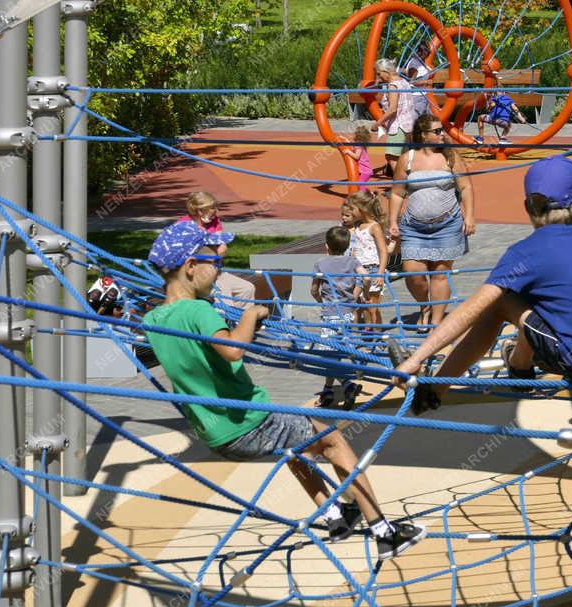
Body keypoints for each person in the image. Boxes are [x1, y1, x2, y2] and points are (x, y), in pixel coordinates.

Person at [142, 222, 425, 559]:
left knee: (298, 445)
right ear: (190, 267)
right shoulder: (199, 310)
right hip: (247, 419)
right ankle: (384, 531)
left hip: (217, 432)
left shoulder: (153, 320)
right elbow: (231, 349)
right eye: (214, 265)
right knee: (331, 437)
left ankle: (335, 516)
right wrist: (252, 315)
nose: (219, 273)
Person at [391, 154, 572, 415]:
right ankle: (519, 365)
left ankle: (436, 390)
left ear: (528, 207)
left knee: (499, 303)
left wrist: (417, 358)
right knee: (537, 297)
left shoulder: (527, 252)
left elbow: (472, 308)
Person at [388, 113, 476, 328]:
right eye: (437, 131)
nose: (442, 134)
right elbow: (398, 193)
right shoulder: (407, 158)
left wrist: (470, 216)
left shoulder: (450, 156)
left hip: (447, 226)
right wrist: (392, 222)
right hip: (413, 227)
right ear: (423, 135)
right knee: (413, 274)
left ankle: (436, 324)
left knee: (439, 275)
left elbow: (465, 187)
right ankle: (425, 306)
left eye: (442, 130)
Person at [312, 226, 368, 411]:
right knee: (334, 353)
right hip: (347, 314)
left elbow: (313, 289)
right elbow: (365, 276)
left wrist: (319, 299)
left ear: (326, 246)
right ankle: (328, 390)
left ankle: (347, 385)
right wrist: (359, 291)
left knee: (326, 354)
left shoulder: (321, 263)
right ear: (346, 246)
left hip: (330, 314)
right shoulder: (352, 261)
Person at [181, 191, 256, 311]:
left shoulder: (214, 220)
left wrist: (210, 254)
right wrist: (211, 255)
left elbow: (222, 248)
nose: (216, 211)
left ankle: (239, 323)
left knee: (247, 288)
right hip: (196, 275)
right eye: (212, 208)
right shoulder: (184, 226)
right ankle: (224, 324)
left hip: (216, 271)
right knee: (225, 295)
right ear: (201, 211)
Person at [342, 191, 389, 327]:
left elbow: (383, 251)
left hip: (373, 270)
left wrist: (380, 273)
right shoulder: (355, 226)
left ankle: (374, 336)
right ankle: (358, 334)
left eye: (352, 209)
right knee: (356, 305)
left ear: (362, 209)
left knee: (372, 307)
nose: (349, 212)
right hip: (358, 270)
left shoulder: (374, 227)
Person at [374, 58, 418, 178]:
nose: (379, 77)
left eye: (379, 73)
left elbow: (393, 109)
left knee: (391, 157)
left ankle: (402, 187)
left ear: (386, 71)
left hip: (398, 126)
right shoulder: (404, 82)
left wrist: (378, 123)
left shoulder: (393, 86)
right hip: (409, 125)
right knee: (404, 158)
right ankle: (408, 184)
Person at [339, 124, 374, 192]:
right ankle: (370, 194)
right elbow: (352, 146)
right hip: (365, 171)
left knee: (360, 184)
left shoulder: (359, 145)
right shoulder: (359, 144)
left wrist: (348, 152)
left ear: (358, 136)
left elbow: (357, 157)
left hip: (365, 171)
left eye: (354, 133)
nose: (353, 135)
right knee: (361, 184)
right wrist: (345, 139)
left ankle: (364, 197)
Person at [404, 39, 433, 120]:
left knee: (430, 119)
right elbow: (411, 82)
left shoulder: (421, 63)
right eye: (424, 54)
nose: (426, 56)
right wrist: (425, 82)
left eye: (427, 55)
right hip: (416, 97)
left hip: (424, 96)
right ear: (419, 52)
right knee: (415, 121)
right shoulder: (414, 63)